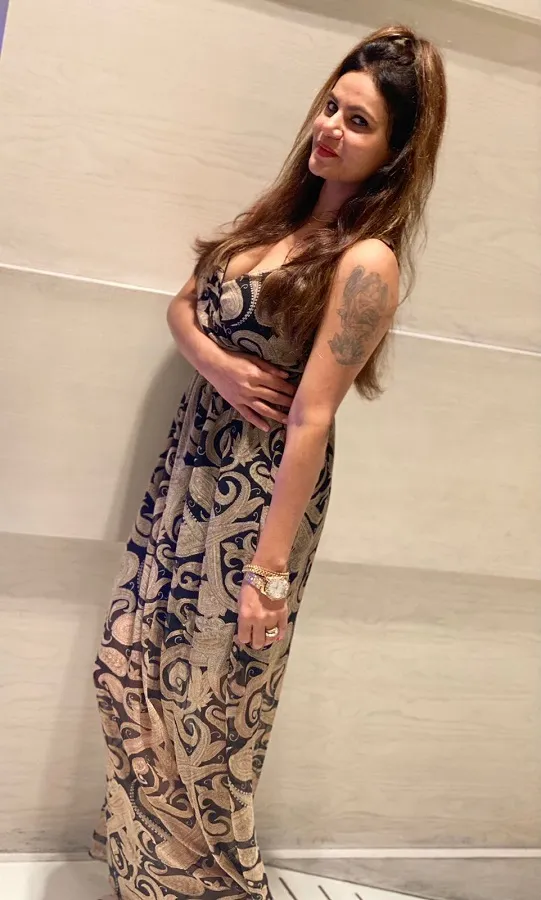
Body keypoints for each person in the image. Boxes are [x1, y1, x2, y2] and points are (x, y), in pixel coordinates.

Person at [92, 23, 447, 900]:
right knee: (130, 667)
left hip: (250, 505)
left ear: (396, 152)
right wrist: (215, 362)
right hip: (184, 478)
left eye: (358, 122)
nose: (329, 128)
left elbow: (312, 418)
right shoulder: (277, 219)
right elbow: (184, 307)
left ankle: (211, 885)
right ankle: (145, 877)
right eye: (331, 106)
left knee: (207, 705)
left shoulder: (365, 262)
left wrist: (269, 574)